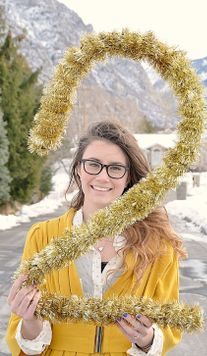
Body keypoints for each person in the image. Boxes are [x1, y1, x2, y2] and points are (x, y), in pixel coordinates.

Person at [6, 120, 186, 356]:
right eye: (93, 165)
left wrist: (148, 339)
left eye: (115, 168)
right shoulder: (42, 237)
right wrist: (29, 320)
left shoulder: (159, 246)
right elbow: (25, 339)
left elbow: (169, 326)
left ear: (129, 176)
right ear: (79, 169)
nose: (103, 177)